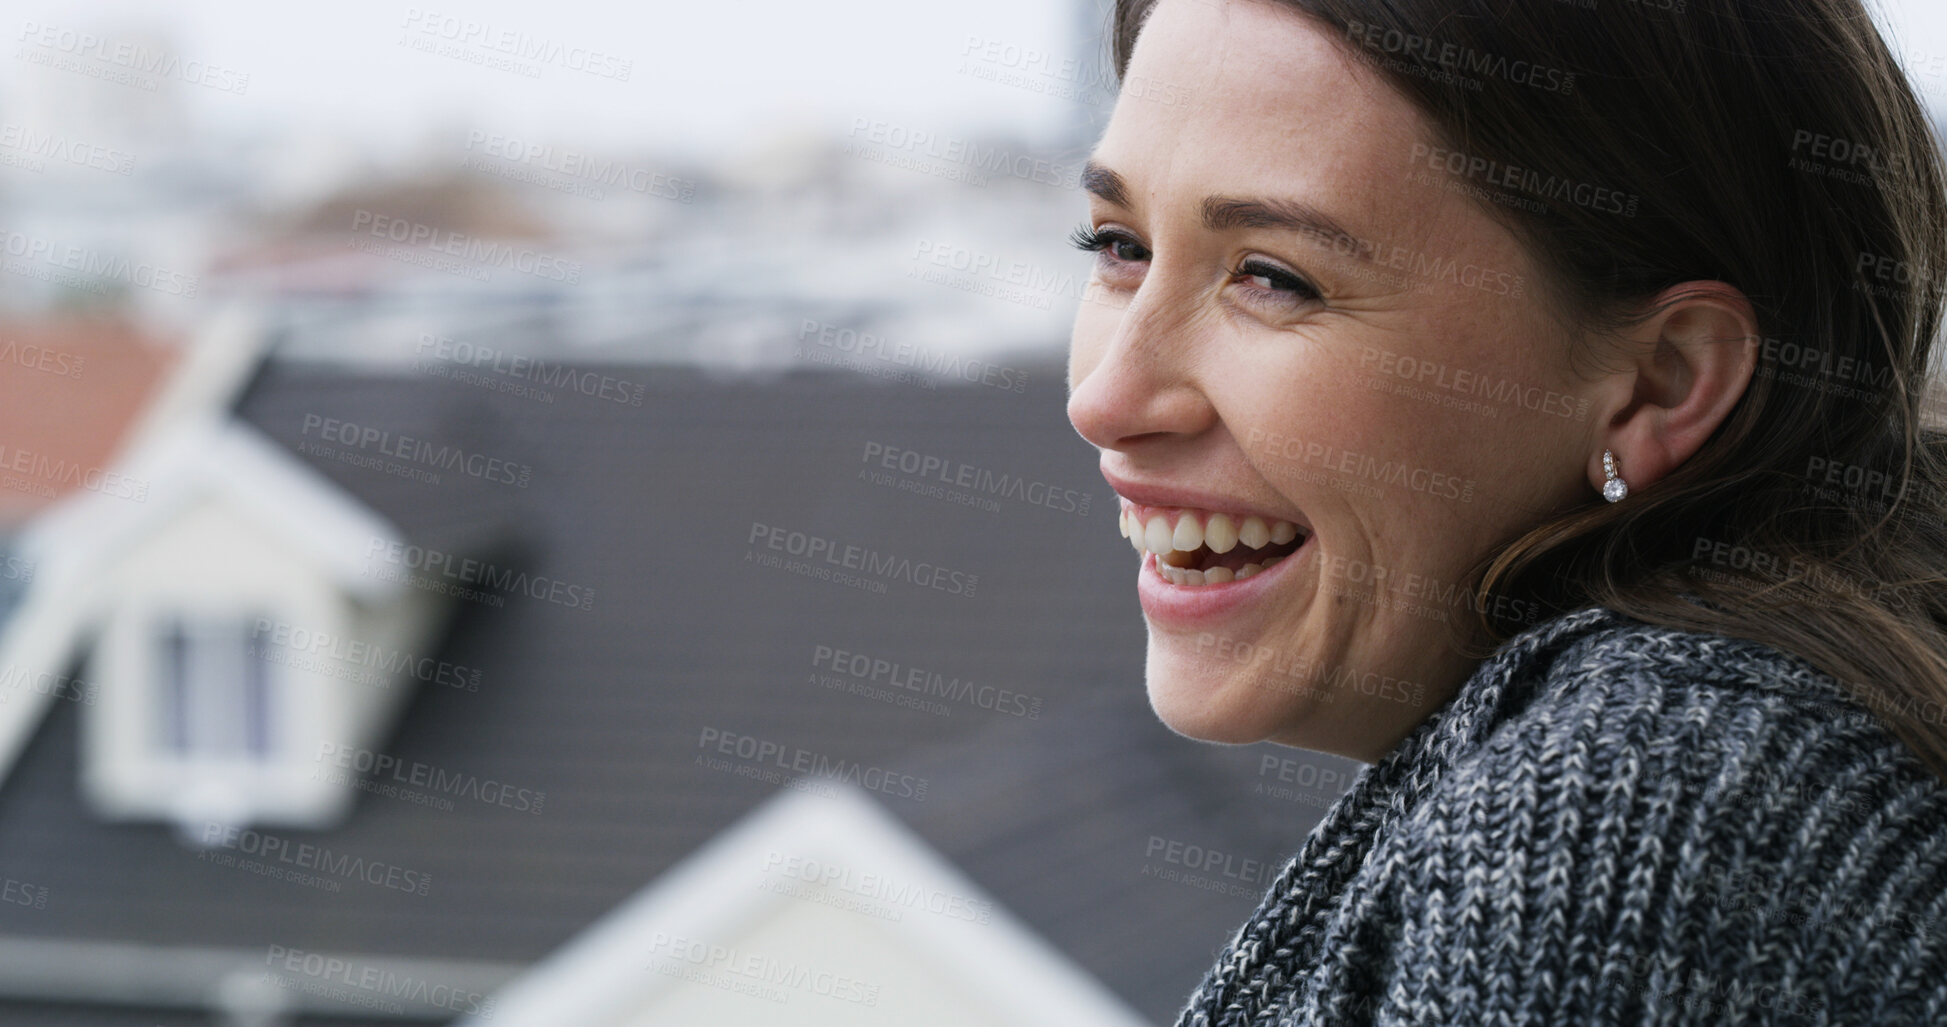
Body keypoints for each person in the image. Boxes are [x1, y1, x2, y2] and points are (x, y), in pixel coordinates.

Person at [1065, 0, 1947, 1022]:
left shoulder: (1634, 822)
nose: (1105, 400)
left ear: (1663, 381)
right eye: (1118, 245)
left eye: (1274, 276)